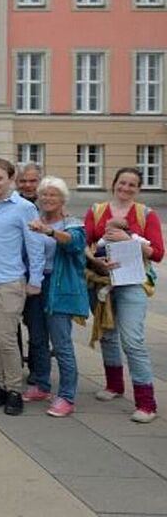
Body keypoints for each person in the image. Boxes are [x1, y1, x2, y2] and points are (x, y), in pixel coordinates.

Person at [85, 167, 162, 423]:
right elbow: (84, 243)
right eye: (122, 183)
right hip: (101, 281)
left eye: (132, 185)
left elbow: (158, 253)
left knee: (133, 341)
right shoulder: (97, 210)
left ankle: (146, 403)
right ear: (114, 184)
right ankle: (114, 385)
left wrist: (129, 238)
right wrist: (96, 262)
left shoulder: (145, 214)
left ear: (138, 189)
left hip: (132, 283)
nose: (126, 188)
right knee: (108, 336)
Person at [0, 158, 45, 416]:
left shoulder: (24, 208)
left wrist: (35, 280)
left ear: (10, 179)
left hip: (9, 283)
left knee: (6, 340)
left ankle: (15, 389)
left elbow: (35, 245)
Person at [24, 176, 87, 417]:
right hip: (35, 283)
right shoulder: (34, 221)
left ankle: (67, 396)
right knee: (37, 338)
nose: (48, 199)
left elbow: (75, 244)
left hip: (59, 286)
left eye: (53, 195)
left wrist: (49, 231)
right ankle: (41, 385)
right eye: (44, 195)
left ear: (63, 199)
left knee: (61, 344)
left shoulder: (72, 224)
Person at [17, 162, 44, 383]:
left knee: (36, 328)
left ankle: (37, 370)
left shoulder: (48, 206)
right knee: (9, 327)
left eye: (32, 181)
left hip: (37, 274)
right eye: (23, 181)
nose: (27, 185)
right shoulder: (12, 204)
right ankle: (14, 365)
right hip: (12, 273)